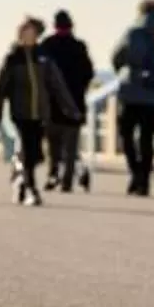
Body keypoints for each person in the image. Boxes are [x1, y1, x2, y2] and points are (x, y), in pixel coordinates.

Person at [0, 17, 75, 207]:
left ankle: (19, 175)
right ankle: (31, 189)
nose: (29, 37)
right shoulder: (13, 59)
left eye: (32, 34)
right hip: (20, 113)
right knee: (29, 151)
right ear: (20, 35)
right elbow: (1, 89)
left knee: (37, 154)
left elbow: (57, 85)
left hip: (40, 113)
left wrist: (70, 108)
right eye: (25, 34)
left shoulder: (43, 57)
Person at [113, 0, 154, 196]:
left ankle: (135, 173)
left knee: (127, 135)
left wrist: (127, 73)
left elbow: (117, 57)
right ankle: (144, 180)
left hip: (131, 91)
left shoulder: (132, 33)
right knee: (147, 137)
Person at [41, 10, 94, 191]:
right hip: (75, 103)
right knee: (70, 147)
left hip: (51, 104)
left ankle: (52, 175)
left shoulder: (47, 45)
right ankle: (67, 182)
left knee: (53, 145)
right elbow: (89, 73)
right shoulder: (79, 46)